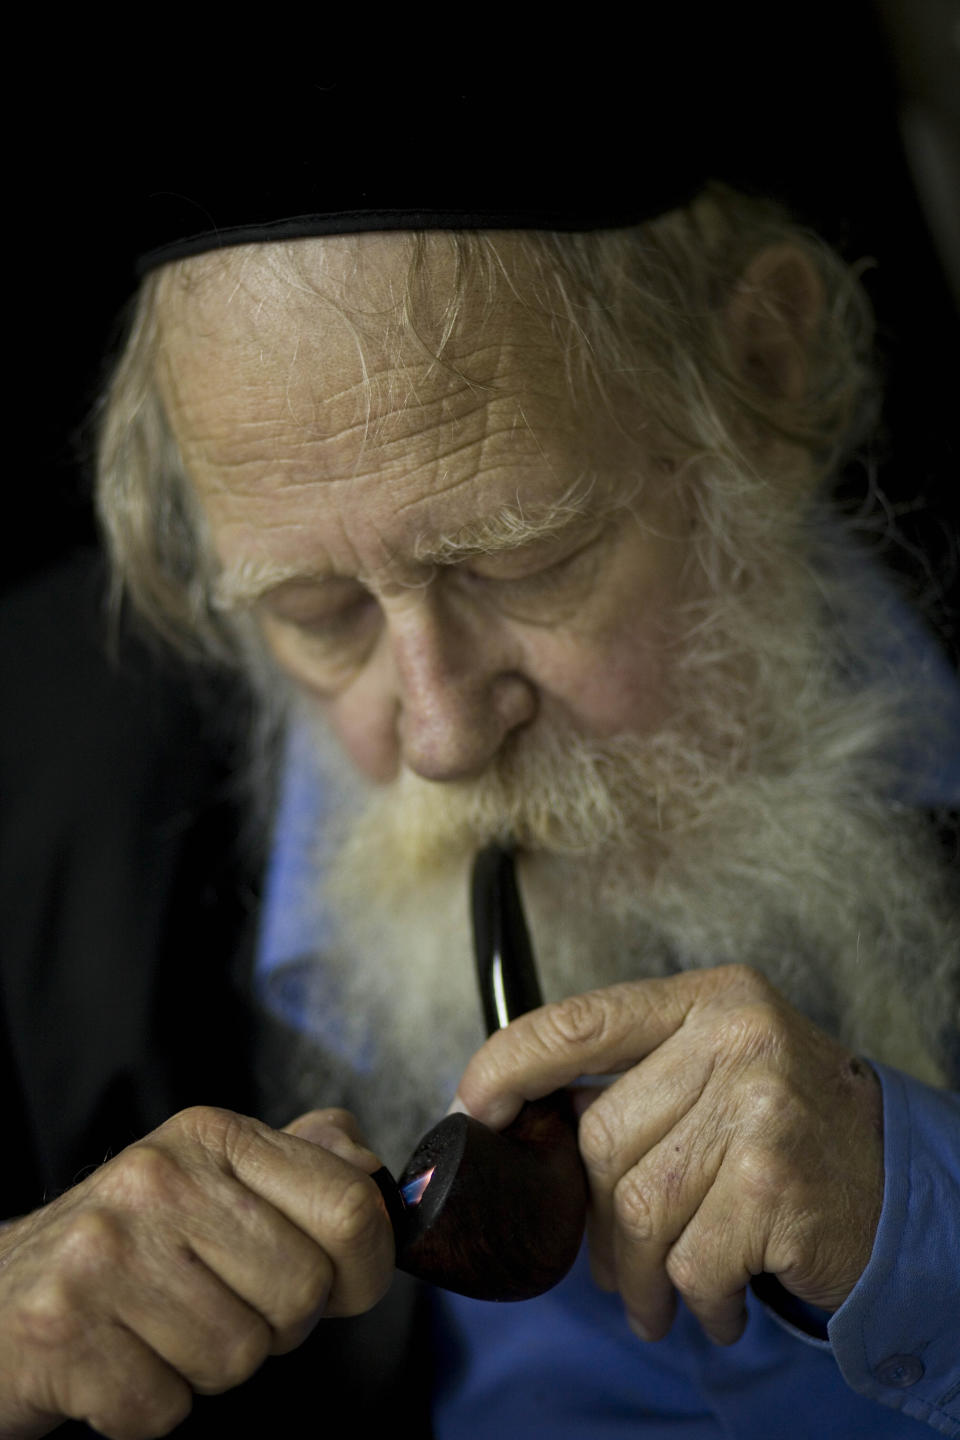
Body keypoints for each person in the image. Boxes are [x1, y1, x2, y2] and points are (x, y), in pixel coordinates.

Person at [2, 51, 959, 1440]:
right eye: (318, 612)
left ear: (763, 369)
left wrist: (921, 1213)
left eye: (527, 562)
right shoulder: (31, 782)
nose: (441, 735)